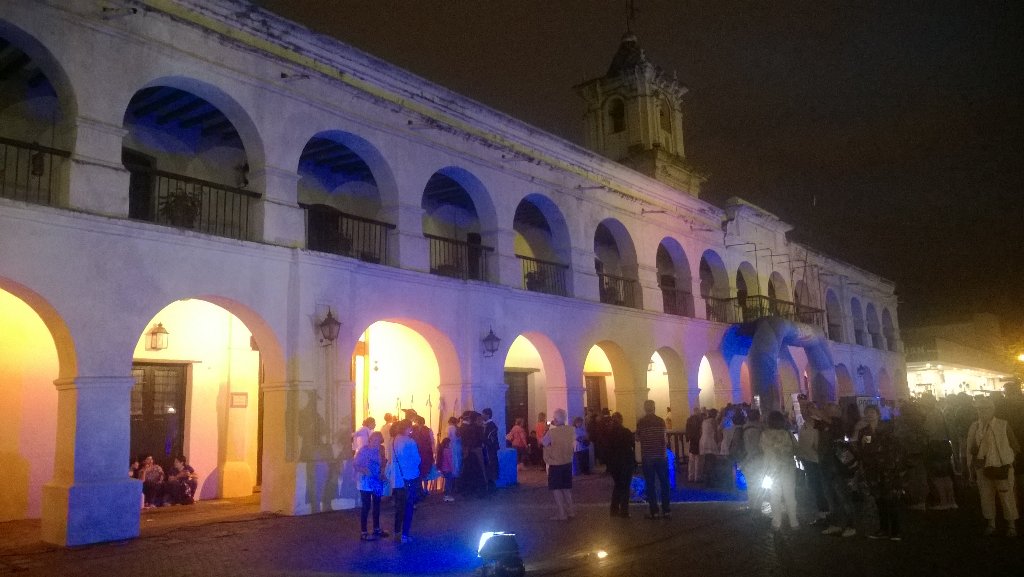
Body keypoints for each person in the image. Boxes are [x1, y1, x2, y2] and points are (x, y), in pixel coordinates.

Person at [967, 395, 1019, 537]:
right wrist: (971, 468)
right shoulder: (975, 426)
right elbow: (969, 448)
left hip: (1001, 467)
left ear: (992, 409)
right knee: (986, 496)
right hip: (982, 467)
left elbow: (1014, 445)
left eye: (985, 409)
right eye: (979, 409)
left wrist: (1007, 460)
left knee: (1006, 496)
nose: (982, 412)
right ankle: (991, 523)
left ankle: (1011, 525)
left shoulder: (1003, 424)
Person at [857, 405, 903, 540]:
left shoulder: (887, 429)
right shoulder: (863, 431)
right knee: (879, 500)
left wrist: (894, 464)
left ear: (878, 414)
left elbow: (895, 447)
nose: (870, 415)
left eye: (872, 412)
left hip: (887, 469)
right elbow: (860, 449)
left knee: (891, 500)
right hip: (872, 470)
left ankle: (895, 531)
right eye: (867, 413)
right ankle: (883, 529)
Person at [761, 411, 799, 531]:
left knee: (774, 495)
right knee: (790, 495)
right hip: (787, 468)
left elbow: (764, 452)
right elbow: (796, 448)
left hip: (772, 469)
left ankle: (777, 522)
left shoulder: (764, 435)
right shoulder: (787, 434)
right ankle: (794, 521)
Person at [921, 393, 957, 510]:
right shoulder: (938, 411)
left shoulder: (931, 414)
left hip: (936, 445)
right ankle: (951, 500)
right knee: (946, 475)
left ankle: (943, 501)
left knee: (938, 476)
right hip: (944, 444)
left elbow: (929, 431)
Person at [636, 399, 671, 519]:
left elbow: (637, 438)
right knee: (664, 483)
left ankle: (654, 511)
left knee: (650, 484)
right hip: (661, 456)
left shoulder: (641, 422)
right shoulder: (661, 421)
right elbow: (664, 439)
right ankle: (666, 510)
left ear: (645, 408)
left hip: (648, 456)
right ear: (654, 407)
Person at [353, 431, 389, 540]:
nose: (376, 442)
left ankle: (376, 529)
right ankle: (363, 532)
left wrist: (382, 475)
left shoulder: (379, 450)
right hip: (365, 483)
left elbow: (382, 464)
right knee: (366, 506)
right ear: (370, 440)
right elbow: (355, 464)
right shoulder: (364, 450)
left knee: (377, 505)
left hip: (376, 481)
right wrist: (364, 470)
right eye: (374, 440)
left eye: (378, 440)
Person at [390, 420, 421, 543]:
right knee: (408, 506)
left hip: (397, 478)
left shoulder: (393, 441)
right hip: (409, 477)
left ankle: (397, 532)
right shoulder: (410, 441)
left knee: (399, 506)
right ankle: (405, 534)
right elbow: (417, 460)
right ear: (407, 428)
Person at [542, 408, 576, 521]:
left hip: (556, 463)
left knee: (556, 489)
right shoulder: (571, 429)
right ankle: (571, 511)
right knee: (566, 488)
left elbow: (543, 442)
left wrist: (547, 428)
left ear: (555, 419)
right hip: (567, 462)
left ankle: (562, 514)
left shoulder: (552, 432)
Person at [797, 406, 829, 526]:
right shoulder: (803, 426)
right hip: (808, 460)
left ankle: (825, 512)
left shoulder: (817, 427)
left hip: (816, 460)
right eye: (802, 410)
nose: (804, 413)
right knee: (815, 487)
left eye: (806, 411)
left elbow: (818, 445)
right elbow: (801, 442)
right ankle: (822, 512)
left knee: (819, 487)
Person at [605, 412, 635, 518]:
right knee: (625, 486)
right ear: (621, 420)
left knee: (617, 485)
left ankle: (614, 509)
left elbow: (607, 449)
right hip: (626, 461)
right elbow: (632, 445)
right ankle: (624, 511)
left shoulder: (609, 433)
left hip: (614, 463)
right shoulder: (626, 432)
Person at [482, 408, 500, 489]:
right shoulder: (485, 425)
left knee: (490, 464)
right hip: (487, 449)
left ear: (487, 415)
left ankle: (491, 483)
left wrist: (484, 442)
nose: (482, 416)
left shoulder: (491, 426)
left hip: (490, 449)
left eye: (483, 414)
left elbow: (491, 439)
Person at [685, 408, 703, 482]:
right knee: (698, 459)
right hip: (698, 440)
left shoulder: (689, 419)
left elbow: (687, 429)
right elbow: (701, 430)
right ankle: (697, 477)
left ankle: (690, 476)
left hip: (692, 440)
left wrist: (687, 438)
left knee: (691, 460)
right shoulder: (700, 419)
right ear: (698, 412)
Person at [437, 436, 456, 502]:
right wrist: (453, 469)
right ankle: (447, 496)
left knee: (447, 482)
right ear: (447, 443)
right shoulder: (448, 451)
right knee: (449, 482)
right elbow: (450, 461)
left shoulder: (442, 450)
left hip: (443, 469)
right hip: (448, 469)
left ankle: (446, 494)